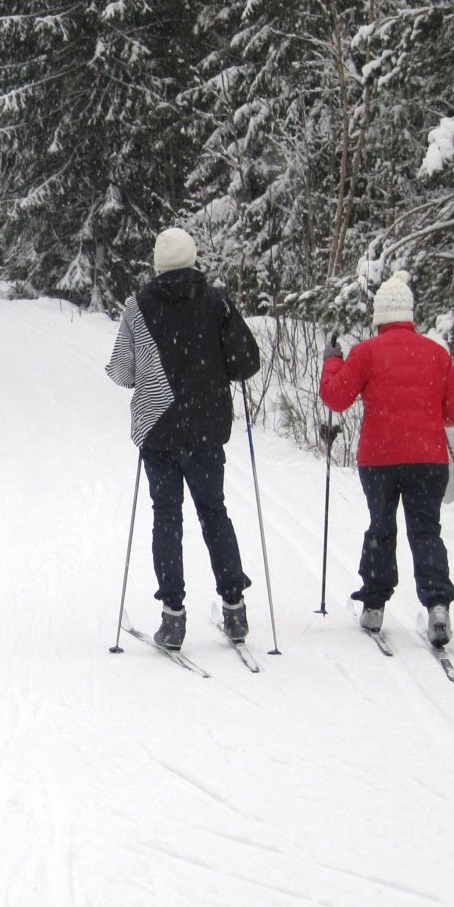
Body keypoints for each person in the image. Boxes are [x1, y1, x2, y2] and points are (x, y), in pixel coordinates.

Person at [107, 226, 261, 651]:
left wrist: (155, 372)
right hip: (207, 428)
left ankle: (172, 617)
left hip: (159, 430)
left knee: (167, 518)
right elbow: (246, 363)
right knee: (214, 513)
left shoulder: (137, 307)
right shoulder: (217, 302)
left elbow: (123, 372)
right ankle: (234, 609)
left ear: (156, 265)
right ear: (194, 260)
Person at [319, 269, 454, 645]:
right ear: (410, 315)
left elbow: (336, 398)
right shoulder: (436, 353)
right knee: (426, 531)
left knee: (381, 528)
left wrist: (331, 362)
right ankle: (437, 606)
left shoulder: (366, 352)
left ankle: (374, 606)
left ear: (379, 315)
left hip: (380, 459)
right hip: (427, 458)